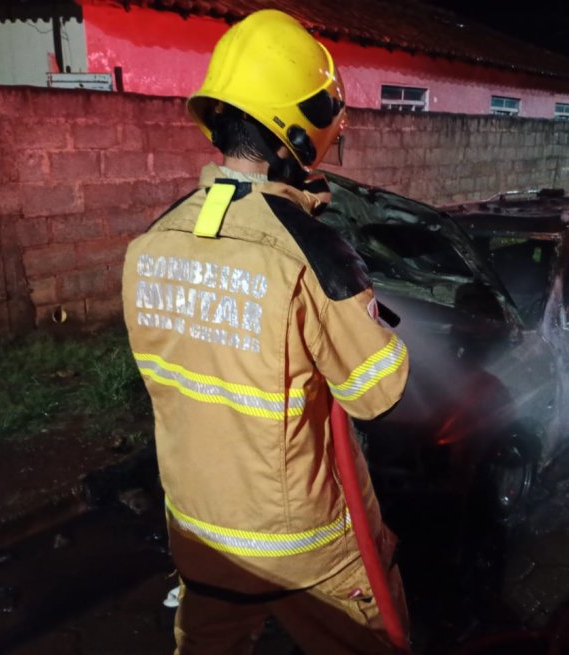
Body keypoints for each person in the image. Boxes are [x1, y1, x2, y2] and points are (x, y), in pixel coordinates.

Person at [120, 9, 410, 654]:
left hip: (199, 537)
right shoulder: (309, 252)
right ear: (301, 131)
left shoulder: (152, 240)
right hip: (307, 551)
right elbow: (376, 393)